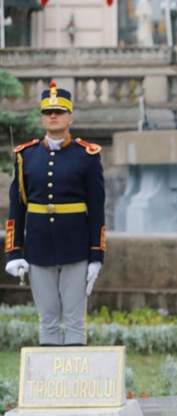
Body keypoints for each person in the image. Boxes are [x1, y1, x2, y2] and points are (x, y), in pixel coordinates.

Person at [4, 82, 105, 347]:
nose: (53, 116)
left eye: (59, 112)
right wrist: (14, 252)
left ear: (70, 117)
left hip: (76, 247)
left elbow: (97, 209)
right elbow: (17, 207)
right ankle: (49, 385)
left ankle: (73, 384)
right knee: (47, 318)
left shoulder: (87, 155)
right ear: (42, 117)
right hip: (38, 247)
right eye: (48, 112)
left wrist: (97, 255)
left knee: (74, 320)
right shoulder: (27, 155)